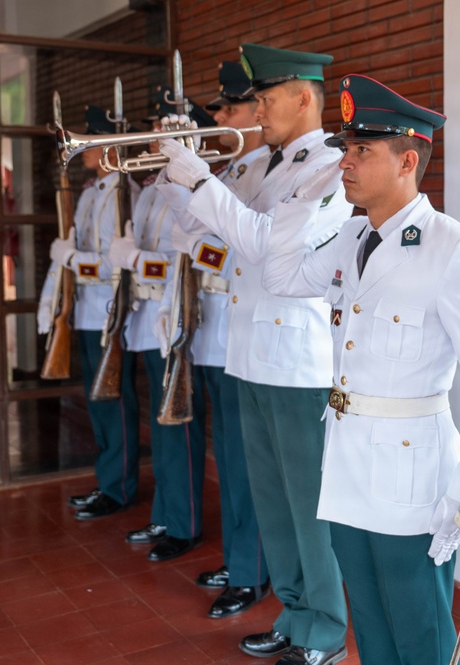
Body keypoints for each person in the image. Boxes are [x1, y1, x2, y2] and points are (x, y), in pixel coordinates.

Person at [261, 74, 460, 665]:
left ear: (406, 160)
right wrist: (302, 196)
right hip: (347, 467)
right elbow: (280, 277)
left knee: (419, 633)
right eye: (345, 149)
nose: (345, 161)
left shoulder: (454, 248)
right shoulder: (349, 238)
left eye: (362, 150)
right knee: (368, 626)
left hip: (413, 477)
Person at [158, 43, 352, 665]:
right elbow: (197, 238)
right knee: (273, 502)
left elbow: (270, 247)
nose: (258, 110)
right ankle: (294, 615)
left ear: (303, 98)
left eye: (266, 99)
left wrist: (202, 186)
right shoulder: (254, 168)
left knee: (307, 507)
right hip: (247, 354)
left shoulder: (328, 169)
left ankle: (324, 626)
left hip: (298, 364)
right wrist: (178, 175)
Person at [155, 60, 272, 618]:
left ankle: (250, 570)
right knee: (227, 458)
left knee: (245, 464)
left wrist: (204, 243)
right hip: (217, 331)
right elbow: (189, 234)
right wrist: (174, 172)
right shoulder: (232, 172)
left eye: (230, 107)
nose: (220, 116)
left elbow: (234, 249)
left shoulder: (262, 170)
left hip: (241, 334)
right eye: (220, 108)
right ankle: (240, 557)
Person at [116, 89, 215, 561]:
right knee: (161, 424)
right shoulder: (153, 184)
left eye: (164, 129)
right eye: (156, 128)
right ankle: (166, 509)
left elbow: (185, 262)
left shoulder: (197, 186)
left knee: (178, 425)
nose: (155, 136)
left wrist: (136, 259)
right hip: (151, 316)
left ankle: (184, 521)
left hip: (178, 316)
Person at [38, 105, 141, 520]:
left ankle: (117, 487)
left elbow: (111, 263)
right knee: (98, 405)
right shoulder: (91, 191)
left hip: (107, 310)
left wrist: (71, 259)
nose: (80, 150)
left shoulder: (122, 192)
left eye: (88, 142)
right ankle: (107, 479)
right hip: (84, 311)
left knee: (113, 401)